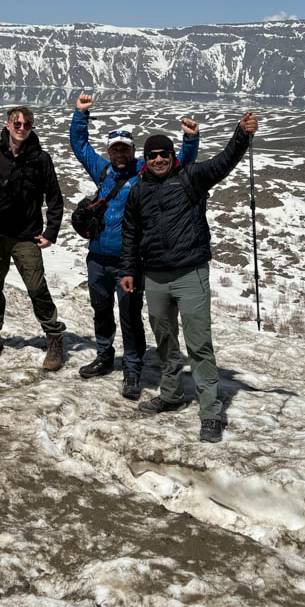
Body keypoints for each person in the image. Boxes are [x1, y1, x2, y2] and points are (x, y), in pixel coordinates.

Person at [120, 110, 259, 443]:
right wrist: (127, 269)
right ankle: (171, 394)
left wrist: (241, 134)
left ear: (172, 156)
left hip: (190, 272)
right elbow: (130, 233)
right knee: (165, 341)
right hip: (154, 276)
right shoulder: (138, 192)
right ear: (145, 159)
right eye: (151, 155)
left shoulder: (191, 178)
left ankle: (210, 412)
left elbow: (224, 162)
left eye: (163, 154)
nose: (157, 160)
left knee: (198, 344)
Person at [70, 93, 199, 399]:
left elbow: (178, 161)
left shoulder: (143, 173)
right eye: (115, 149)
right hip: (97, 259)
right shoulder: (102, 171)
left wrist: (190, 138)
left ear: (131, 151)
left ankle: (132, 367)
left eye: (124, 149)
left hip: (130, 262)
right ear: (110, 151)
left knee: (129, 315)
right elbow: (79, 146)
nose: (119, 154)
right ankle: (104, 356)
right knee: (100, 309)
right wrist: (81, 115)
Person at [0, 106, 67, 370]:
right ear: (8, 125)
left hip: (26, 236)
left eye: (27, 125)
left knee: (36, 288)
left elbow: (54, 198)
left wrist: (51, 232)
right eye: (17, 124)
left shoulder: (40, 159)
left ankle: (54, 338)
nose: (22, 128)